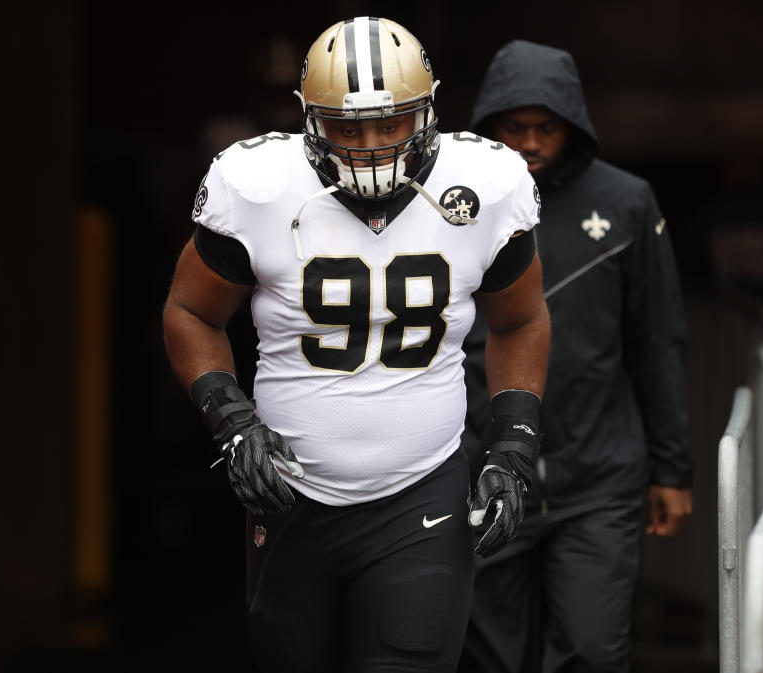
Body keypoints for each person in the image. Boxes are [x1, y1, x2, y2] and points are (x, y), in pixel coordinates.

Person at [162, 18, 551, 673]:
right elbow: (190, 311)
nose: (371, 146)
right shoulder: (258, 184)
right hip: (290, 502)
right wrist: (229, 420)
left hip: (421, 494)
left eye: (391, 124)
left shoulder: (484, 185)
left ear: (428, 113)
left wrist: (513, 445)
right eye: (347, 127)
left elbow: (520, 320)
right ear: (310, 120)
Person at [458, 41, 695, 673]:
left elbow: (657, 337)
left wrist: (672, 467)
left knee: (590, 651)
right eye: (514, 128)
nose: (531, 142)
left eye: (546, 128)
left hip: (598, 476)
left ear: (573, 125)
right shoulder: (449, 204)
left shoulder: (626, 202)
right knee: (486, 658)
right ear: (488, 125)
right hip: (483, 471)